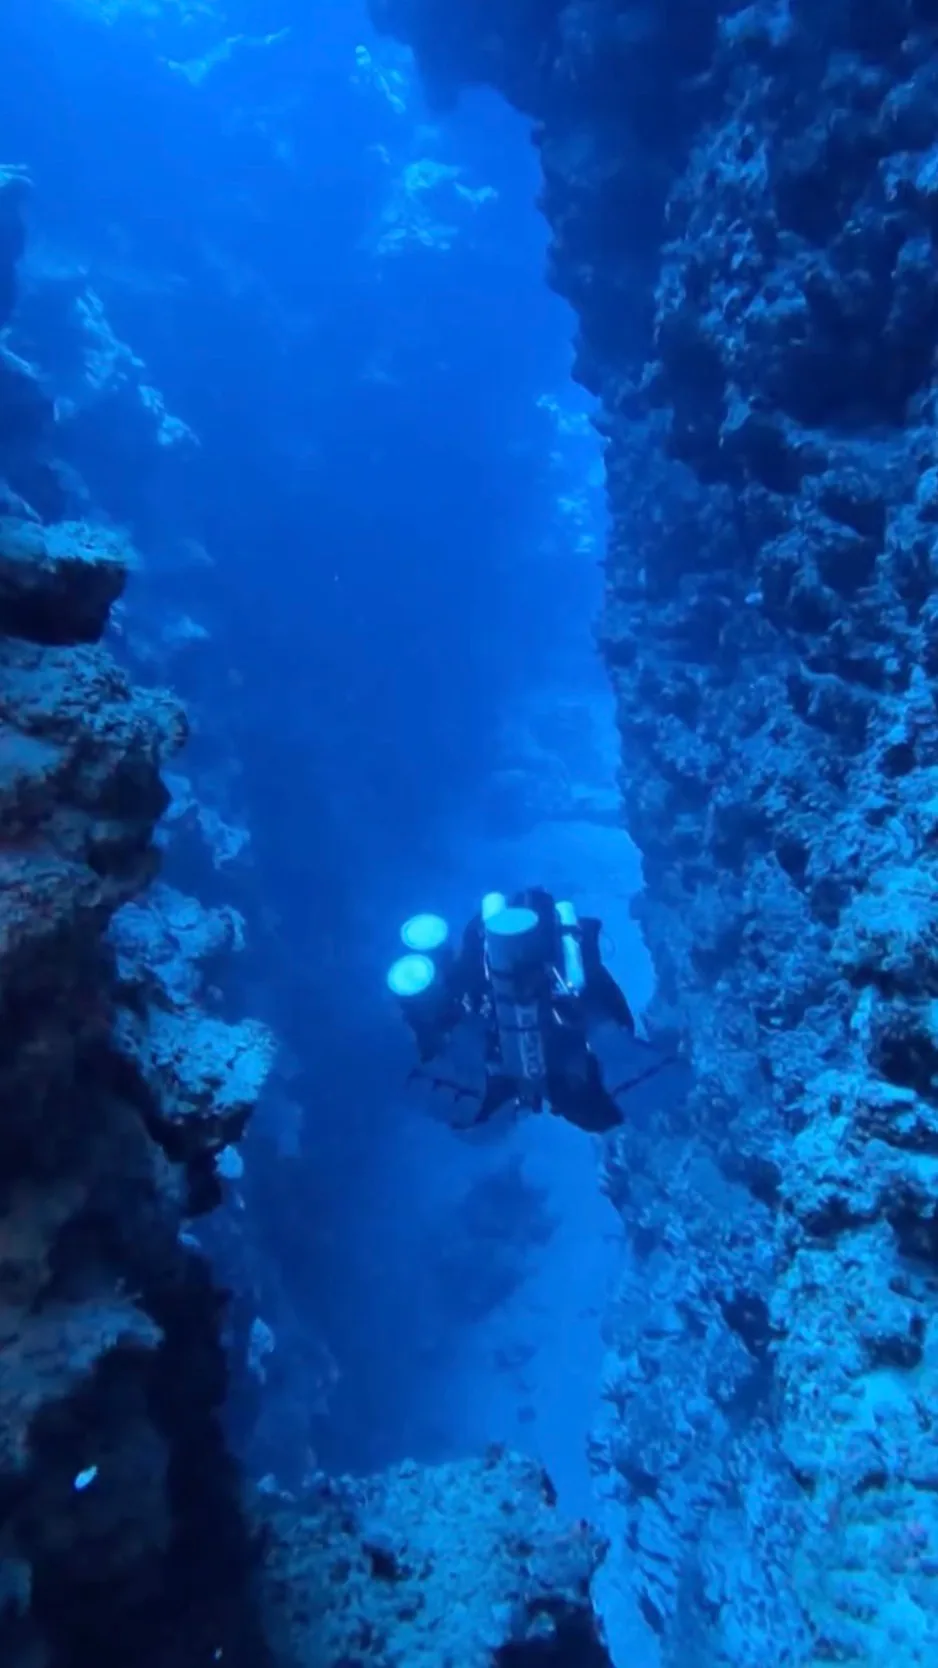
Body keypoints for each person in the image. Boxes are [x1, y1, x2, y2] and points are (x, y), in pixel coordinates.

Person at [386, 889, 676, 1135]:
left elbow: (464, 1101)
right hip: (500, 978)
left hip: (491, 973)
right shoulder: (593, 1028)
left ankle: (461, 961)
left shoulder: (525, 1071)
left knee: (450, 998)